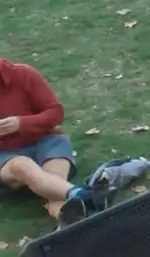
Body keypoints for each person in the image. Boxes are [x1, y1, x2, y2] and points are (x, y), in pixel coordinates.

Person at [0, 60, 115, 224]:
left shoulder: (22, 74)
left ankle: (72, 220)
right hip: (5, 155)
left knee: (54, 184)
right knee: (22, 167)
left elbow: (56, 113)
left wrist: (22, 123)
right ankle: (87, 196)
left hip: (45, 141)